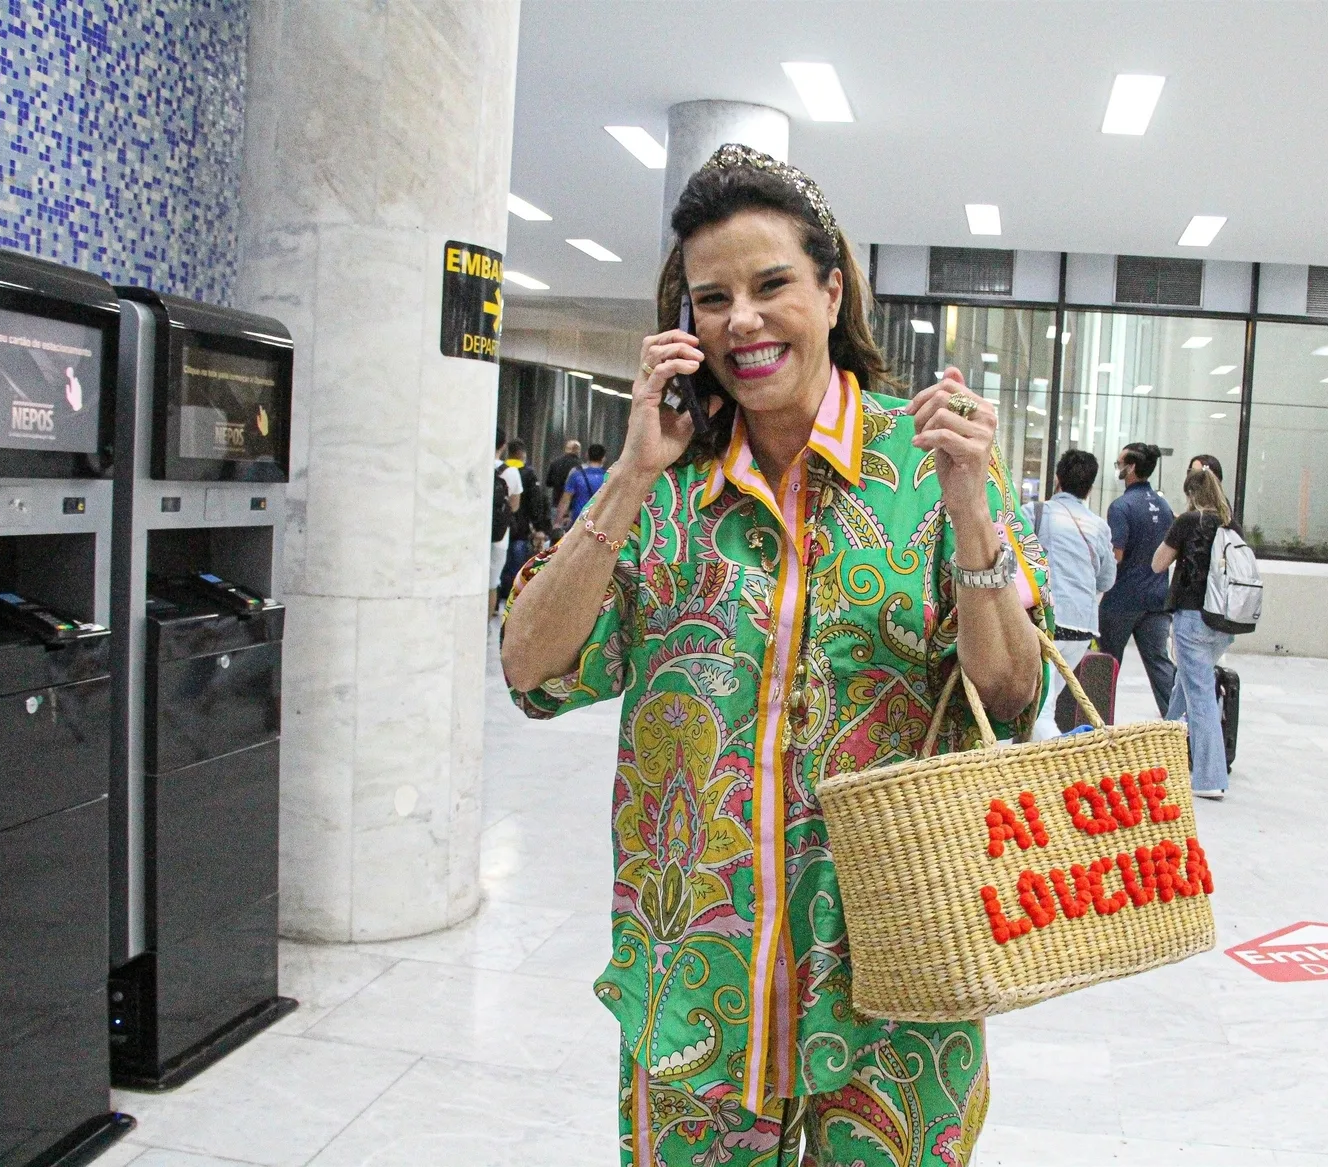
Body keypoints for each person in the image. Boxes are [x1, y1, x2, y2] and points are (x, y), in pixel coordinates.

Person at [500, 143, 1047, 1164]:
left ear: (832, 291)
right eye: (712, 299)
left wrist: (970, 512)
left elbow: (1009, 694)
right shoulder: (663, 487)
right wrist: (625, 478)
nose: (741, 320)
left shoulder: (930, 467)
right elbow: (527, 667)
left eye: (771, 285)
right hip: (694, 982)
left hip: (897, 972)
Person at [1151, 468, 1237, 799]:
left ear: (1190, 494)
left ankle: (1210, 777)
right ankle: (1162, 753)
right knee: (1185, 685)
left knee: (1200, 696)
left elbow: (1159, 564)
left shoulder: (1189, 522)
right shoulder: (1231, 524)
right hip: (1224, 624)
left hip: (1192, 619)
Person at [1022, 449, 1116, 738]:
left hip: (1046, 623)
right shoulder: (1099, 526)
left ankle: (1059, 763)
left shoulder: (1034, 513)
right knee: (1042, 702)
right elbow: (1107, 580)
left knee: (1040, 709)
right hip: (1082, 629)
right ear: (1089, 488)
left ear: (1057, 478)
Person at [1098, 442, 1177, 713]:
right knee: (1159, 663)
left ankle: (1098, 726)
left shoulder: (1121, 507)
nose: (1118, 468)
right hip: (1157, 599)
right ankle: (1179, 724)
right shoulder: (1164, 506)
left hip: (1122, 600)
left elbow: (1116, 555)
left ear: (1130, 468)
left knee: (1105, 663)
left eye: (1120, 463)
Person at [499, 437, 549, 600]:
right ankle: (511, 596)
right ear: (522, 454)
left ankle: (499, 594)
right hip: (520, 528)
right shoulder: (528, 473)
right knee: (517, 564)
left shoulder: (500, 470)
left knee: (500, 564)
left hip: (499, 525)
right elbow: (535, 502)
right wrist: (539, 526)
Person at [489, 430, 522, 616]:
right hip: (499, 534)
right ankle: (483, 630)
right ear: (503, 446)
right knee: (492, 583)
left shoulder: (476, 465)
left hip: (474, 532)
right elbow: (515, 506)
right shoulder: (511, 472)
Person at [556, 443, 608, 526]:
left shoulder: (576, 475)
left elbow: (565, 501)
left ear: (587, 455)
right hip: (601, 521)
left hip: (579, 520)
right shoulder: (608, 477)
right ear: (603, 458)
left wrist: (557, 523)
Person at [545, 437, 583, 504]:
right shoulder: (581, 466)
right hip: (573, 503)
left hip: (557, 501)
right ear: (578, 451)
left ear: (566, 449)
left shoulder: (555, 463)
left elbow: (548, 483)